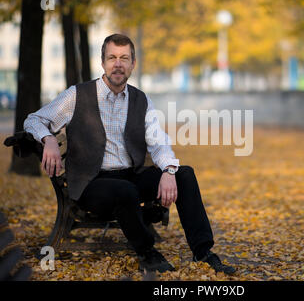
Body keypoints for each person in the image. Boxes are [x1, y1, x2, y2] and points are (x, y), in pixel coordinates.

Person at [24, 33, 235, 275]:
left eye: (124, 58)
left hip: (130, 176)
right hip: (91, 183)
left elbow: (159, 142)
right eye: (112, 57)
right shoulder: (77, 95)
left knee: (184, 175)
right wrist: (48, 138)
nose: (118, 64)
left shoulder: (140, 100)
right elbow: (34, 120)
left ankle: (203, 252)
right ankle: (148, 253)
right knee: (125, 191)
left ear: (133, 64)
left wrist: (168, 170)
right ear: (102, 62)